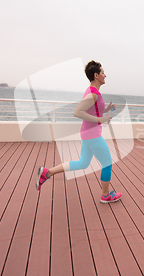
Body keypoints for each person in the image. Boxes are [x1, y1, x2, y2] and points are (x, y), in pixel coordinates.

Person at [36, 60, 122, 203]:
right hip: (92, 135)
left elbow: (92, 110)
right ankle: (105, 196)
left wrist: (107, 109)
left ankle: (47, 172)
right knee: (107, 163)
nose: (105, 75)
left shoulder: (91, 92)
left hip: (88, 134)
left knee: (83, 163)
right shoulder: (93, 94)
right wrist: (100, 120)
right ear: (96, 75)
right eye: (102, 73)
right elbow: (78, 112)